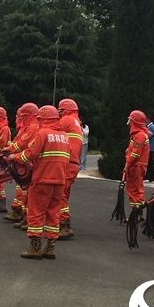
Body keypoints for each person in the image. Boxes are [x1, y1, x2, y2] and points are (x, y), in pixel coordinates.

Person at [11, 105, 70, 260]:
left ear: (43, 119)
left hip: (43, 179)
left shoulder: (43, 133)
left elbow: (31, 153)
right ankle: (50, 248)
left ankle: (35, 248)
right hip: (59, 181)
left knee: (36, 213)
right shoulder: (64, 135)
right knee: (53, 214)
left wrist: (14, 158)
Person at [3, 103, 38, 226]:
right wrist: (10, 148)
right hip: (21, 161)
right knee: (24, 192)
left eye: (23, 116)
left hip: (26, 162)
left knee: (28, 192)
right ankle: (24, 216)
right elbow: (18, 141)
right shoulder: (27, 127)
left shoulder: (33, 127)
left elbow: (22, 144)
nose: (20, 119)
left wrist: (11, 151)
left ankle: (27, 218)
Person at [57, 98, 83, 239]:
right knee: (64, 193)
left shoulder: (66, 120)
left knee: (58, 193)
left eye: (60, 111)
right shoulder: (75, 122)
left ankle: (65, 225)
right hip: (73, 163)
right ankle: (60, 223)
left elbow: (52, 134)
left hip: (66, 163)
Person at [123, 110, 150, 219]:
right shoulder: (140, 135)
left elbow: (135, 153)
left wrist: (127, 166)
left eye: (131, 121)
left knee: (134, 189)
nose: (129, 123)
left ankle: (136, 213)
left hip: (136, 166)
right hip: (138, 165)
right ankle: (139, 212)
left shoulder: (139, 135)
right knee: (137, 189)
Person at [145, 116, 154, 182]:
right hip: (148, 147)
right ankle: (148, 177)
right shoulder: (148, 127)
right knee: (148, 162)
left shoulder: (152, 127)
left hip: (150, 147)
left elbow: (147, 136)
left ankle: (150, 177)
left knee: (150, 163)